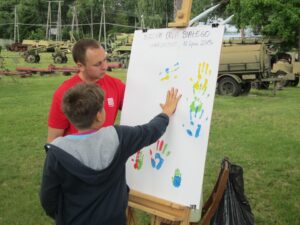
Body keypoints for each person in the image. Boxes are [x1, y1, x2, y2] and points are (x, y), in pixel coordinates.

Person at [40, 83, 181, 225]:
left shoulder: (57, 152)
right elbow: (150, 131)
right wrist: (166, 112)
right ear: (99, 115)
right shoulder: (119, 137)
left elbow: (48, 198)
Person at [47, 38, 125, 142]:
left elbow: (137, 109)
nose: (105, 66)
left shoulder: (116, 85)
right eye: (97, 64)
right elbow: (54, 139)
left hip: (106, 155)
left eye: (105, 60)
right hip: (76, 156)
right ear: (81, 66)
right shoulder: (65, 93)